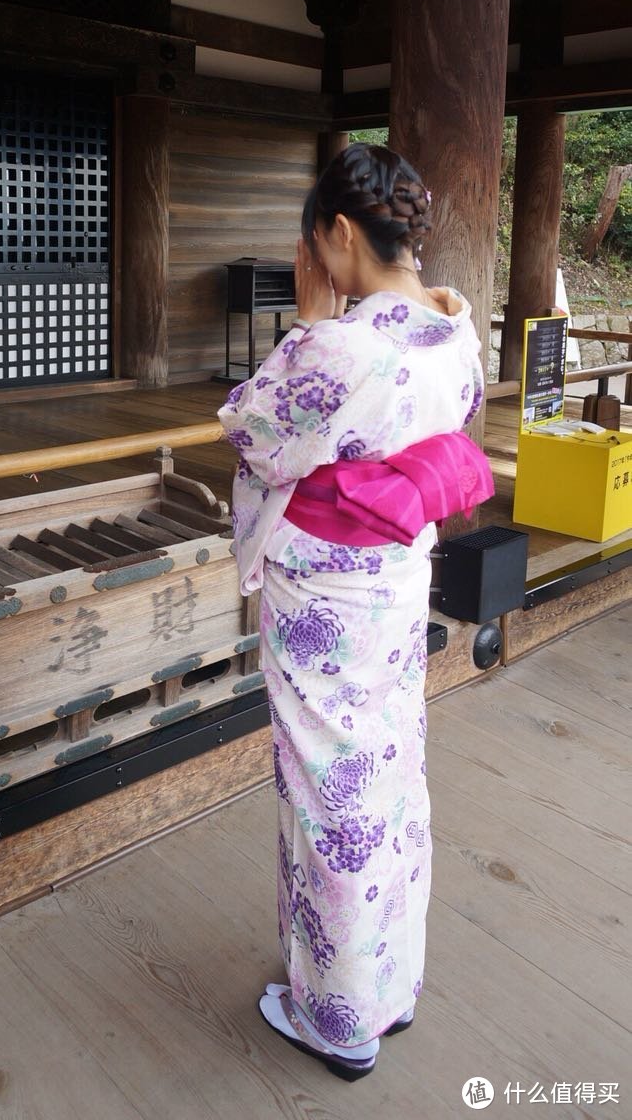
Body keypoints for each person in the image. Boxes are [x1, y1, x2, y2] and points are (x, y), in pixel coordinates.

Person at [217, 142, 491, 1082]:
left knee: (330, 794)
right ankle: (388, 983)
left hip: (323, 598)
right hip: (398, 578)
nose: (317, 261)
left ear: (339, 232)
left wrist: (302, 327)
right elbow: (446, 425)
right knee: (387, 770)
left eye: (318, 241)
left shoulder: (333, 345)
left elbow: (252, 432)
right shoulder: (456, 329)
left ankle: (336, 1017)